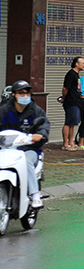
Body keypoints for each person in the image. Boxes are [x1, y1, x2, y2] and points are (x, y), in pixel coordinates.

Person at [0, 80, 49, 209]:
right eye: (21, 93)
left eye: (27, 93)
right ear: (13, 95)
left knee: (27, 161)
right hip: (6, 149)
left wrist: (40, 135)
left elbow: (44, 125)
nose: (24, 96)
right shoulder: (4, 110)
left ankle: (35, 195)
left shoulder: (35, 111)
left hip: (28, 149)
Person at [61, 56, 84, 150]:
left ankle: (71, 142)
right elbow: (65, 88)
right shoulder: (71, 74)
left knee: (73, 122)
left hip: (77, 101)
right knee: (68, 122)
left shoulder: (77, 75)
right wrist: (64, 97)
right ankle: (65, 143)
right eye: (82, 63)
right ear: (76, 64)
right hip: (71, 101)